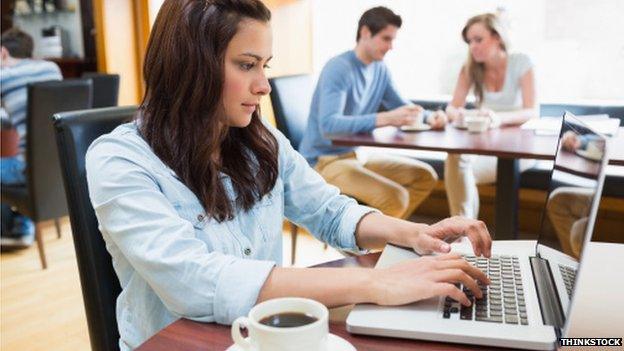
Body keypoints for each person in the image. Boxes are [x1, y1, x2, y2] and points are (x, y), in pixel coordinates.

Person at [85, 1, 491, 349]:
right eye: (246, 65)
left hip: (266, 335)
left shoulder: (261, 142)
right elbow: (195, 281)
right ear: (190, 65)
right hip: (178, 341)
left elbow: (330, 211)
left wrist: (413, 234)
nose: (263, 85)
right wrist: (376, 284)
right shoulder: (119, 160)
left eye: (265, 66)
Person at [298, 6, 446, 219]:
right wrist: (385, 119)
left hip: (358, 155)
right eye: (386, 39)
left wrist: (428, 117)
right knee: (396, 198)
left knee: (424, 177)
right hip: (324, 161)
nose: (391, 46)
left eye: (393, 40)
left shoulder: (380, 69)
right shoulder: (338, 68)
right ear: (366, 33)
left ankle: (379, 240)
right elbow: (329, 125)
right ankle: (369, 246)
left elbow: (399, 104)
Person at [443, 13, 538, 219]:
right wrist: (459, 114)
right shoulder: (470, 69)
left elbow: (532, 111)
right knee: (455, 159)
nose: (473, 46)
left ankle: (463, 231)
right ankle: (465, 230)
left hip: (518, 150)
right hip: (485, 148)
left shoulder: (522, 62)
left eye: (478, 40)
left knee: (459, 173)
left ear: (497, 37)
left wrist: (497, 118)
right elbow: (452, 108)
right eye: (469, 42)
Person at [0, 28, 62, 247]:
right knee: (21, 155)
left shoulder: (3, 76)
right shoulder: (52, 69)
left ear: (3, 53)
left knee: (13, 162)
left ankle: (15, 229)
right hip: (59, 167)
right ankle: (21, 227)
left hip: (26, 169)